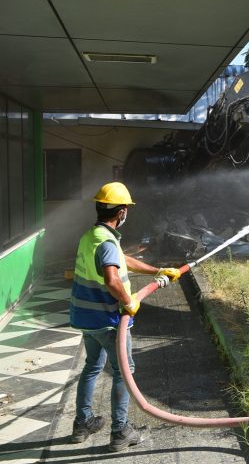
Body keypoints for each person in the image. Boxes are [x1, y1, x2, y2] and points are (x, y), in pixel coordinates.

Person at [69, 182, 181, 451]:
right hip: (108, 320)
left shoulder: (92, 235)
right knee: (124, 372)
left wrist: (158, 271)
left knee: (93, 366)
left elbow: (122, 260)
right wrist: (128, 301)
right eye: (126, 209)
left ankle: (82, 423)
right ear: (120, 212)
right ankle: (120, 432)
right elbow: (111, 278)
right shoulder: (106, 242)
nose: (127, 212)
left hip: (87, 318)